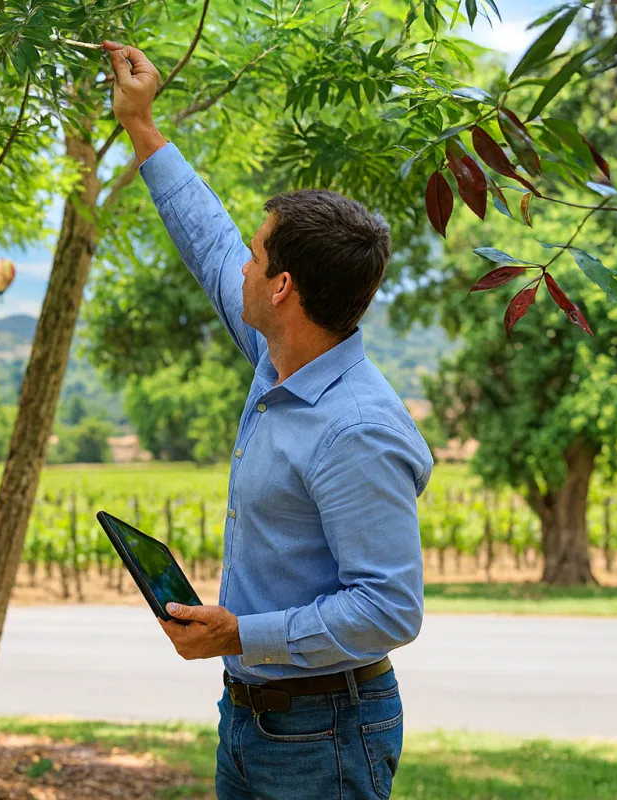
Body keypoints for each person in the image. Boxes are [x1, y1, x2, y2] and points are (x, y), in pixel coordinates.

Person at [103, 41, 434, 800]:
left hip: (327, 734)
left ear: (283, 287)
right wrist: (142, 126)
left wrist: (241, 635)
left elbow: (389, 607)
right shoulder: (274, 354)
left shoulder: (358, 429)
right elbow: (208, 236)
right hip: (251, 719)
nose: (242, 266)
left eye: (257, 258)